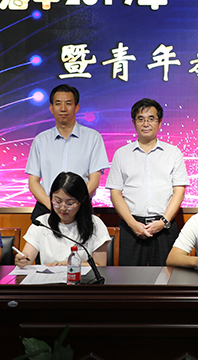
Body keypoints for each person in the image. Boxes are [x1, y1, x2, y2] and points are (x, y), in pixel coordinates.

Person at [106, 98, 188, 266]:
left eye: (151, 119)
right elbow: (115, 193)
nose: (146, 124)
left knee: (167, 276)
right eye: (141, 119)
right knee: (130, 278)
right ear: (134, 122)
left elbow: (179, 191)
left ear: (159, 122)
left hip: (164, 226)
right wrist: (132, 224)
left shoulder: (173, 153)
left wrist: (164, 222)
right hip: (131, 226)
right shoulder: (121, 154)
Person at [25, 84, 110, 221]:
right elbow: (33, 182)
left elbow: (94, 180)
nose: (63, 108)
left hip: (80, 208)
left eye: (68, 103)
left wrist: (73, 204)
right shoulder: (41, 140)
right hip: (47, 208)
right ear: (51, 108)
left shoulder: (93, 138)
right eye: (58, 103)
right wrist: (53, 206)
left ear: (76, 107)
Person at [15, 172, 111, 267]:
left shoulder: (95, 224)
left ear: (82, 200)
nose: (63, 208)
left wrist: (70, 265)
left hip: (82, 277)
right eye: (58, 201)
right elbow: (27, 259)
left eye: (69, 203)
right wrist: (22, 261)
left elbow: (100, 265)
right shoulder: (41, 223)